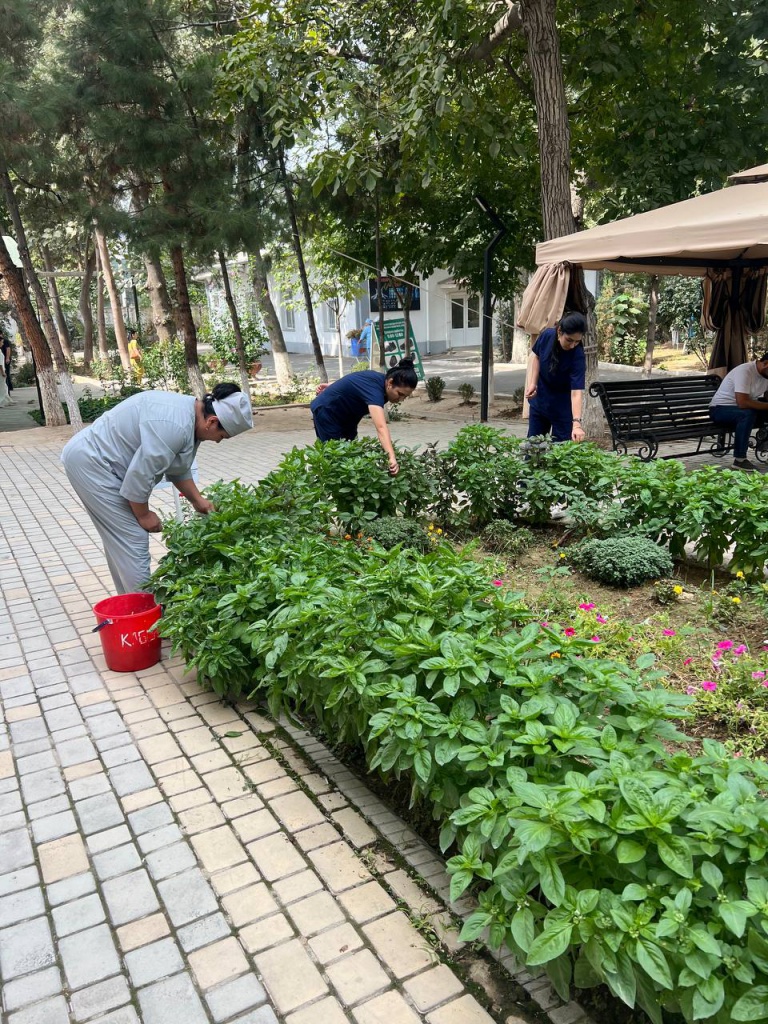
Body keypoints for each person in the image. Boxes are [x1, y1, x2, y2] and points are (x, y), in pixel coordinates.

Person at [61, 383, 253, 595]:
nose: (218, 442)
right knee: (132, 538)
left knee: (121, 542)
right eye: (222, 436)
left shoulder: (190, 415)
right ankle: (145, 613)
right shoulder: (175, 425)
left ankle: (129, 607)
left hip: (98, 462)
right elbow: (140, 475)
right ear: (212, 422)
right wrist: (144, 515)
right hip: (93, 463)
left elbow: (177, 465)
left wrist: (198, 501)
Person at [310, 358, 418, 475]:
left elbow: (356, 379)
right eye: (400, 394)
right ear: (390, 383)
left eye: (405, 397)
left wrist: (333, 386)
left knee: (350, 454)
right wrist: (391, 457)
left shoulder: (382, 381)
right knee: (334, 458)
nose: (400, 399)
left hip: (347, 417)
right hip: (327, 412)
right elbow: (381, 427)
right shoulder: (375, 391)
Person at [525, 312, 587, 443]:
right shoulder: (547, 335)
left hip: (563, 407)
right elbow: (537, 357)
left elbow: (576, 392)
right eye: (569, 340)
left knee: (561, 453)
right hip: (540, 400)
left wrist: (576, 424)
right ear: (559, 331)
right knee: (533, 448)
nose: (572, 345)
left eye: (577, 341)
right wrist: (533, 383)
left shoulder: (578, 355)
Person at [709, 353, 768, 471]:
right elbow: (743, 402)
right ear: (766, 364)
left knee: (748, 413)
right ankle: (740, 460)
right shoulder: (745, 371)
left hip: (743, 411)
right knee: (747, 413)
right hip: (720, 410)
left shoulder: (766, 376)